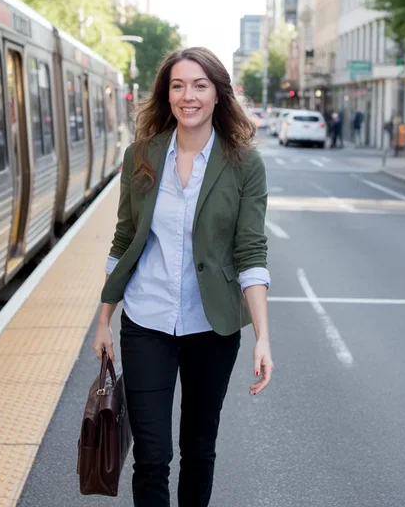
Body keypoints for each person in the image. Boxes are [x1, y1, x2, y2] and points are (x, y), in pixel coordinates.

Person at [94, 47, 274, 507]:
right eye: (178, 85)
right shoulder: (142, 156)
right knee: (152, 456)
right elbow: (124, 238)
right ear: (166, 94)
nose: (187, 96)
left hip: (211, 326)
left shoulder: (244, 164)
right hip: (146, 320)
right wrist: (103, 319)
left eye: (199, 85)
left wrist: (262, 337)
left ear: (218, 95)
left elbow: (251, 250)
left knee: (199, 449)